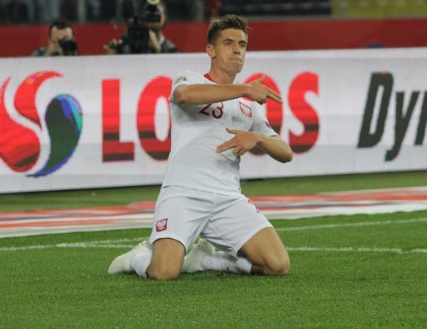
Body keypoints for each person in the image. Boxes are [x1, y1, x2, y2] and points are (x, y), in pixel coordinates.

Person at [108, 14, 292, 280]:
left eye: (242, 44)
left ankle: (207, 260)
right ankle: (135, 258)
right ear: (211, 50)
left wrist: (260, 139)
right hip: (184, 192)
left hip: (227, 197)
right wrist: (244, 89)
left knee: (277, 265)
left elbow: (285, 153)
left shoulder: (250, 106)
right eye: (228, 43)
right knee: (164, 273)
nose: (237, 49)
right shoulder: (191, 79)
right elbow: (183, 96)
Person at [104, 0, 179, 55]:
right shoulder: (128, 47)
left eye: (157, 15)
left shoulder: (171, 50)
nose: (153, 19)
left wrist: (158, 50)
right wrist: (112, 58)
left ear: (165, 17)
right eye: (149, 15)